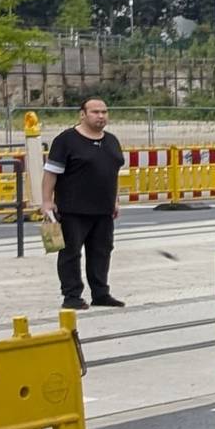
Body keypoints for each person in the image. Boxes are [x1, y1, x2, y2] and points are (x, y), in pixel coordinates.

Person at [45, 97, 124, 310]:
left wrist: (115, 200)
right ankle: (71, 295)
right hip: (73, 209)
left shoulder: (111, 141)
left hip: (103, 209)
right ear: (82, 114)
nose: (101, 116)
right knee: (71, 253)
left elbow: (113, 173)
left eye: (104, 112)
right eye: (95, 112)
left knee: (102, 251)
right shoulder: (66, 140)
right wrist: (46, 202)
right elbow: (51, 172)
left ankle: (101, 293)